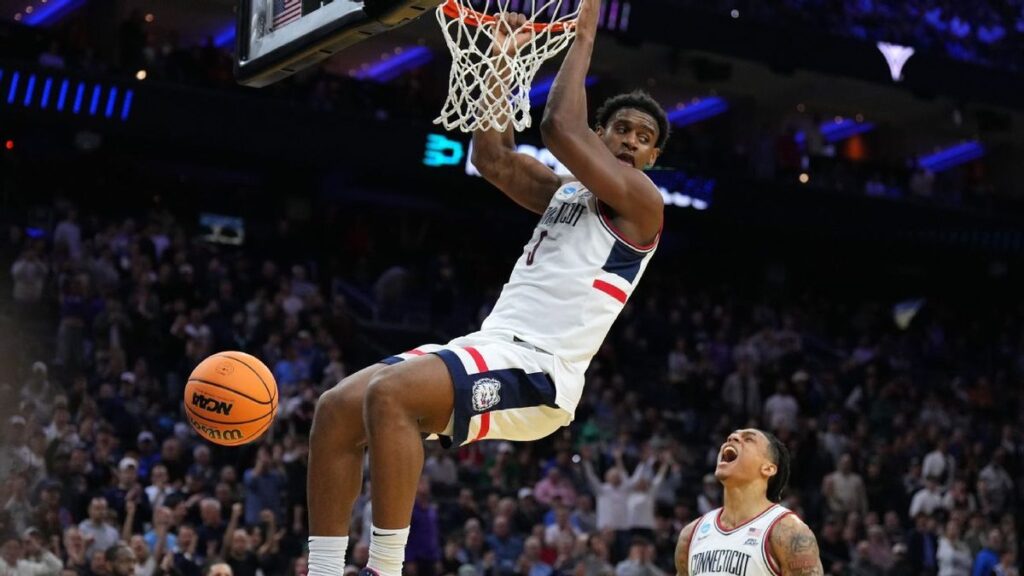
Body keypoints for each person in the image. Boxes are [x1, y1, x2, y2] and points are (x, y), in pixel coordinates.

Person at [305, 0, 669, 574]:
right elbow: (493, 156)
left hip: (542, 370)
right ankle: (325, 569)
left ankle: (384, 569)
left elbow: (557, 127)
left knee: (391, 394)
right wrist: (501, 62)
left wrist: (583, 36)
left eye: (642, 138)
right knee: (336, 409)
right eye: (619, 128)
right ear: (602, 133)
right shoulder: (565, 196)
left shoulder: (643, 207)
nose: (629, 141)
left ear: (651, 158)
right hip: (492, 344)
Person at [674, 429, 824, 576]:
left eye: (748, 439)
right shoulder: (691, 534)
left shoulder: (788, 532)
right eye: (731, 437)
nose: (732, 438)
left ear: (768, 468)